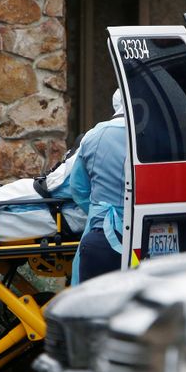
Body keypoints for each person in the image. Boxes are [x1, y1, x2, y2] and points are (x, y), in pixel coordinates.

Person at [70, 88, 127, 284]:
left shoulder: (94, 136)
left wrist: (97, 210)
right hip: (143, 232)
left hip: (101, 233)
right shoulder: (149, 136)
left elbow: (78, 188)